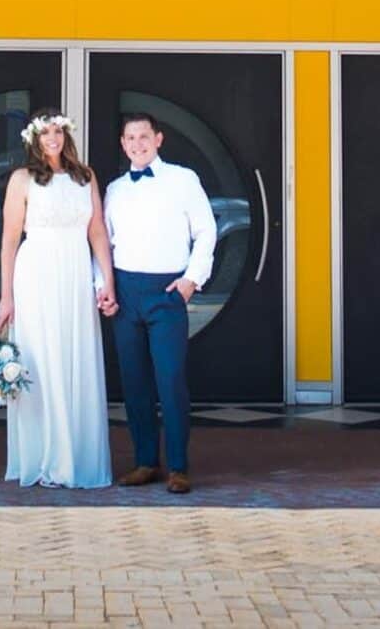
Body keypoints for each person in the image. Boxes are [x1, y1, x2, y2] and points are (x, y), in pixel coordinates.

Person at [0, 112, 115, 489]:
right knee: (42, 359)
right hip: (37, 276)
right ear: (34, 138)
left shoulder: (85, 176)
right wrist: (7, 296)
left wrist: (107, 279)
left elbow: (97, 232)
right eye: (46, 132)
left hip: (76, 275)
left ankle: (76, 455)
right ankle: (45, 456)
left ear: (66, 135)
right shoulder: (21, 179)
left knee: (74, 356)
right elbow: (11, 239)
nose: (53, 138)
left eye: (58, 131)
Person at [102, 110, 217, 494]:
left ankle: (179, 467)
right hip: (126, 292)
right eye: (130, 138)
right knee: (134, 384)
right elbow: (103, 242)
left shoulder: (184, 180)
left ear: (158, 139)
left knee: (170, 381)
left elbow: (206, 231)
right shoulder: (115, 189)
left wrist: (191, 280)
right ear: (123, 144)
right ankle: (146, 462)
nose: (138, 144)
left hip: (167, 292)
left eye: (144, 136)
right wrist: (102, 287)